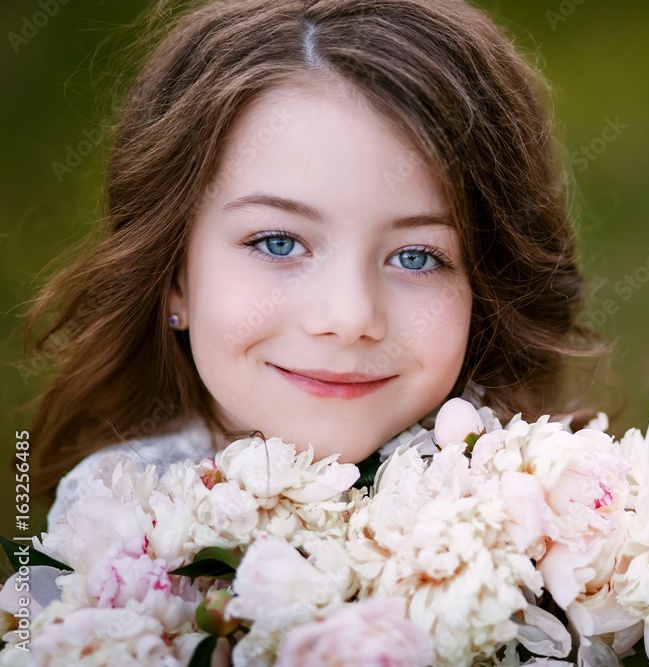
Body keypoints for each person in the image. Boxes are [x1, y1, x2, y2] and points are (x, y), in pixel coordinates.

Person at [22, 0, 615, 531]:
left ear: (486, 288)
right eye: (279, 243)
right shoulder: (113, 522)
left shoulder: (557, 527)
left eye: (416, 256)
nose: (350, 316)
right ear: (174, 275)